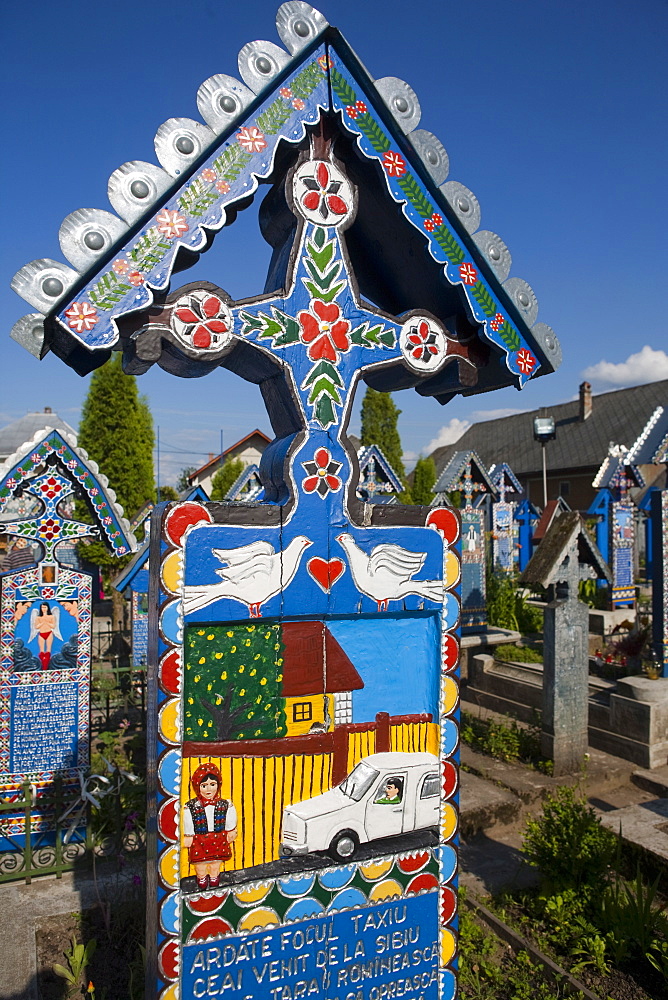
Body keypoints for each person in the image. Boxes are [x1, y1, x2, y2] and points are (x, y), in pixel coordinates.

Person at [183, 763, 237, 890]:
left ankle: (214, 878)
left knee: (215, 863)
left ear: (218, 785)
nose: (209, 789)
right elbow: (188, 821)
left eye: (213, 784)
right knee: (200, 864)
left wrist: (231, 830)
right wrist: (189, 835)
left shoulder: (225, 804)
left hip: (218, 837)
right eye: (204, 785)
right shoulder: (190, 806)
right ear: (198, 787)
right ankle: (201, 879)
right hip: (199, 839)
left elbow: (230, 817)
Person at [30, 601, 61, 669]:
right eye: (42, 607)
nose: (43, 609)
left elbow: (53, 626)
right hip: (41, 634)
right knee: (41, 651)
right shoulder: (38, 618)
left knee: (48, 650)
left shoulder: (51, 616)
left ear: (47, 608)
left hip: (49, 633)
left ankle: (47, 665)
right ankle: (42, 665)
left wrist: (47, 622)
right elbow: (36, 626)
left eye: (45, 607)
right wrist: (42, 622)